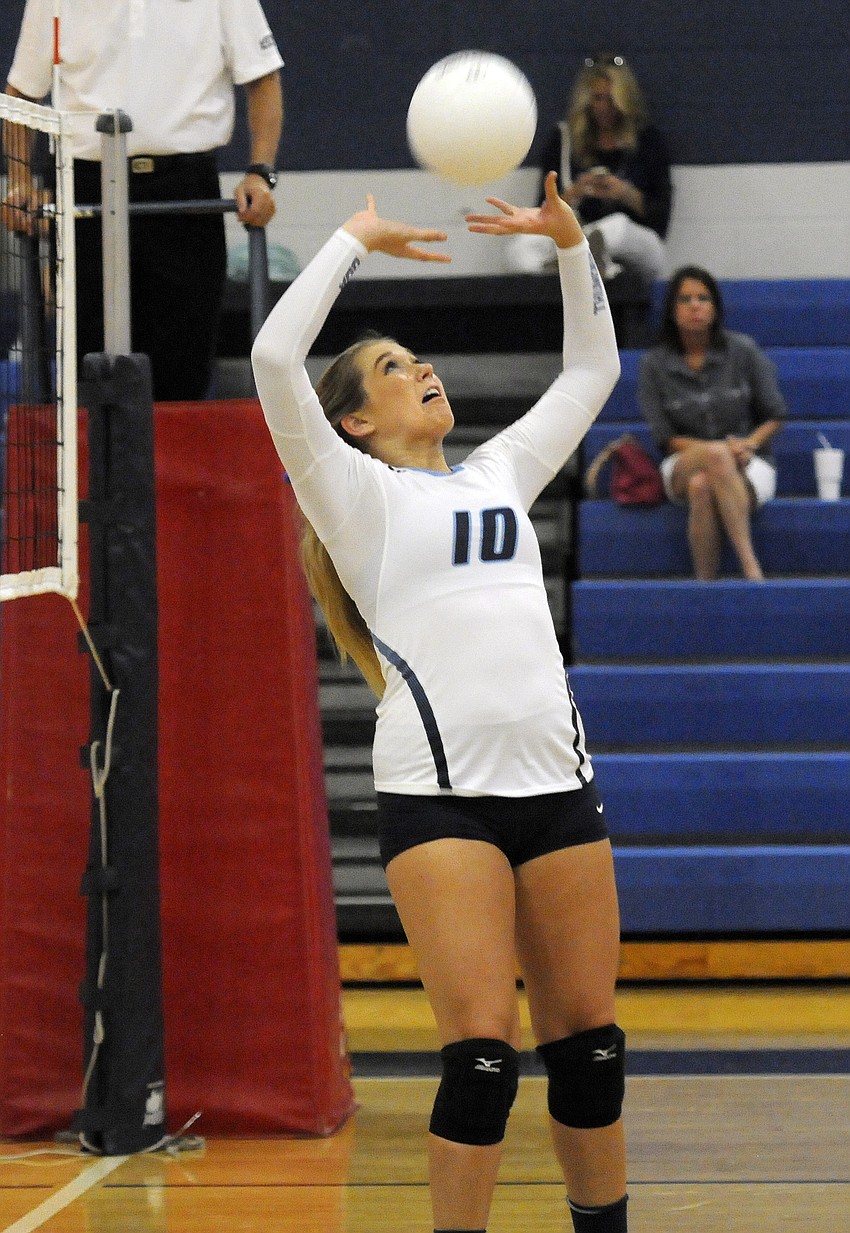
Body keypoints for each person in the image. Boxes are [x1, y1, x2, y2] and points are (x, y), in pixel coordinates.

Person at [252, 172, 629, 1233]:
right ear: (356, 423)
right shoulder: (354, 493)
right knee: (481, 1058)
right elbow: (277, 359)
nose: (419, 368)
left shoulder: (500, 471)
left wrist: (566, 245)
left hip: (559, 787)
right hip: (442, 801)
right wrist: (351, 238)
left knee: (589, 1047)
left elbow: (594, 364)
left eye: (416, 358)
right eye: (389, 367)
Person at [2, 0, 284, 401]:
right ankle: (96, 464)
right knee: (89, 370)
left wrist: (260, 172)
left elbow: (263, 76)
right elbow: (21, 94)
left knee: (184, 368)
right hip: (84, 192)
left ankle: (178, 463)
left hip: (186, 194)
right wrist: (19, 185)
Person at [639, 265, 787, 581]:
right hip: (683, 461)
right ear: (672, 310)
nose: (695, 305)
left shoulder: (743, 350)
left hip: (750, 460)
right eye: (685, 299)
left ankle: (705, 585)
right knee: (713, 460)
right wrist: (722, 449)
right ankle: (752, 570)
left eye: (703, 298)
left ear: (715, 307)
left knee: (703, 486)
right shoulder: (654, 364)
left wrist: (748, 444)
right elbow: (666, 438)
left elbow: (775, 414)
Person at [514, 52, 671, 286]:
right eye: (597, 99)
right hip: (575, 232)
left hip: (631, 241)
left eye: (611, 100)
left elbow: (661, 219)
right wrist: (576, 192)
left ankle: (586, 260)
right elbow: (542, 213)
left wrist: (623, 193)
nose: (604, 108)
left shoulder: (648, 140)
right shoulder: (563, 140)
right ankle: (576, 267)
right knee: (518, 249)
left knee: (616, 226)